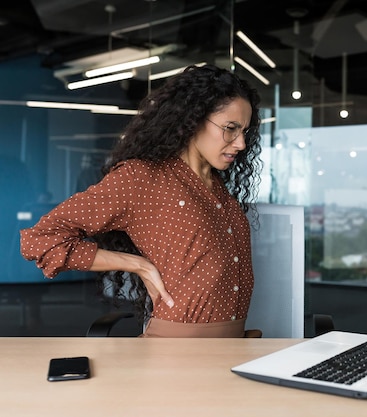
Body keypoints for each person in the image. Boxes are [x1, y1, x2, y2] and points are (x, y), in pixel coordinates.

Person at [20, 64, 263, 338]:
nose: (241, 143)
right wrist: (137, 264)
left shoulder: (218, 187)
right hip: (179, 352)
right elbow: (40, 240)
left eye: (245, 131)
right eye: (230, 128)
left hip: (231, 348)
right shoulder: (142, 178)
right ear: (193, 119)